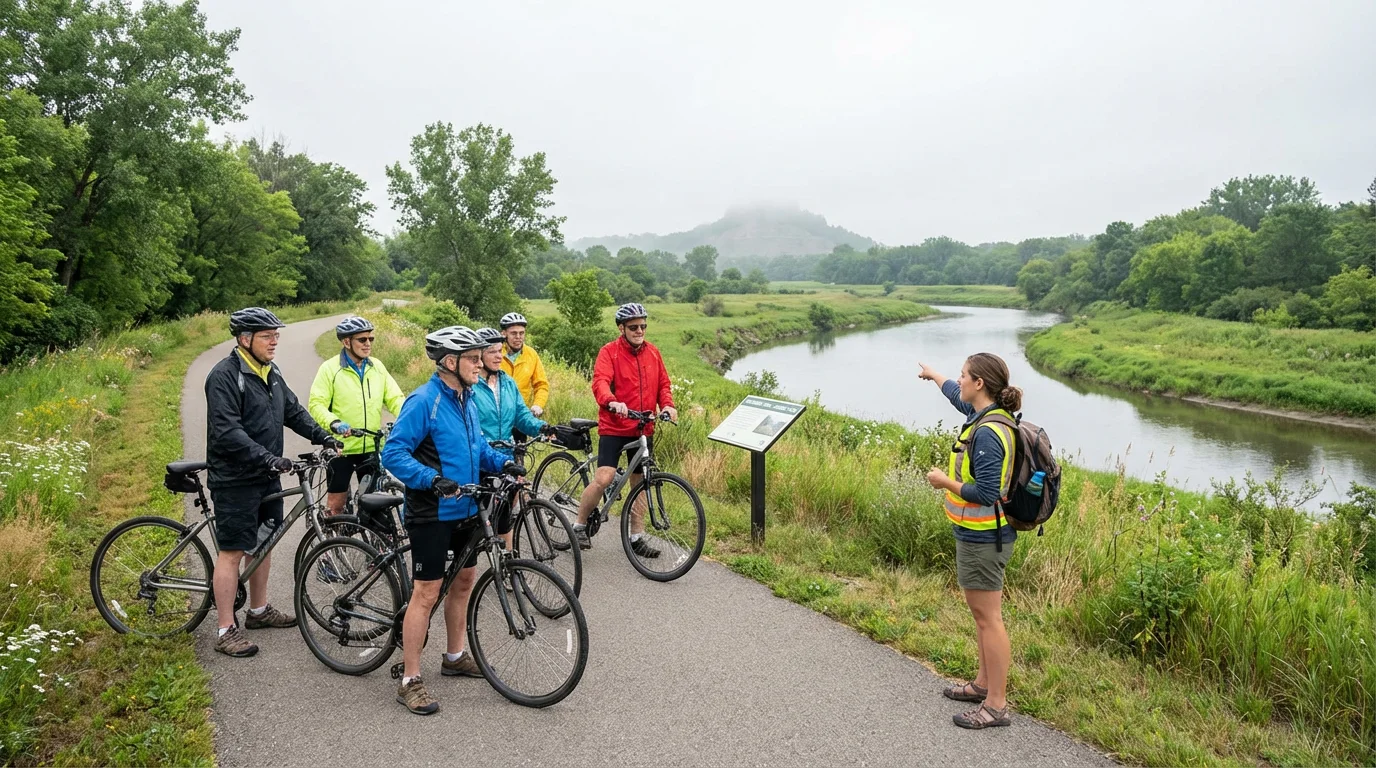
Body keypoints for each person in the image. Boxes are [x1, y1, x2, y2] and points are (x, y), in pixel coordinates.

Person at [380, 325, 516, 715]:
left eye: (479, 358)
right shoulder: (424, 401)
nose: (481, 364)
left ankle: (454, 656)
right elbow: (393, 454)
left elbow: (477, 447)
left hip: (467, 509)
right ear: (450, 362)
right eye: (473, 359)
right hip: (432, 511)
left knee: (464, 582)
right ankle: (410, 680)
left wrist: (502, 462)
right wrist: (432, 480)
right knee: (426, 592)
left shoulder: (467, 397)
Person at [205, 307, 341, 658]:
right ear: (244, 338)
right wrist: (265, 457)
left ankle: (259, 611)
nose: (275, 341)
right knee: (233, 550)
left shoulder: (271, 372)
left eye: (276, 335)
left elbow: (293, 412)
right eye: (268, 336)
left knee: (264, 543)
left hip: (267, 477)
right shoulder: (225, 376)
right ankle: (224, 628)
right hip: (235, 479)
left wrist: (323, 437)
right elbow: (227, 432)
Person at [918, 353, 1021, 730]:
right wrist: (934, 376)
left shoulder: (989, 433)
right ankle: (981, 685)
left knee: (988, 618)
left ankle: (995, 705)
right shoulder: (983, 413)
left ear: (980, 383)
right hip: (978, 534)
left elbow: (987, 492)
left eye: (964, 376)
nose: (958, 380)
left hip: (984, 536)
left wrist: (944, 482)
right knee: (981, 617)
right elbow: (954, 395)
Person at [573, 303, 677, 555]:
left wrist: (668, 405)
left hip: (644, 426)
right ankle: (578, 525)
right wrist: (612, 401)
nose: (639, 330)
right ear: (622, 328)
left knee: (641, 482)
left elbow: (664, 384)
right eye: (633, 327)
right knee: (604, 478)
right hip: (615, 426)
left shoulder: (653, 352)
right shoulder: (609, 352)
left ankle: (636, 536)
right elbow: (600, 382)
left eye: (643, 326)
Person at [307, 316, 407, 516]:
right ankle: (333, 542)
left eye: (371, 339)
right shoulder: (330, 369)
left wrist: (409, 418)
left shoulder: (377, 367)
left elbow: (396, 398)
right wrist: (334, 423)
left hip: (370, 446)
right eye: (362, 340)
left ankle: (373, 544)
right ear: (346, 342)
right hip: (341, 449)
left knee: (375, 505)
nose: (368, 344)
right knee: (336, 505)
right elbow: (316, 404)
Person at [473, 327, 554, 548]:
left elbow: (522, 416)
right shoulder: (470, 386)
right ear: (479, 354)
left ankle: (507, 566)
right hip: (479, 460)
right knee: (473, 520)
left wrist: (543, 428)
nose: (499, 356)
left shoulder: (507, 382)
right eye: (492, 351)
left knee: (505, 517)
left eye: (501, 350)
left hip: (506, 457)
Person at [498, 312, 550, 417]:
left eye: (521, 333)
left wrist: (538, 405)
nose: (518, 337)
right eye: (513, 333)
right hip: (497, 414)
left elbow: (541, 385)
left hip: (520, 415)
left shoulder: (531, 354)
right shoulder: (495, 353)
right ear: (504, 334)